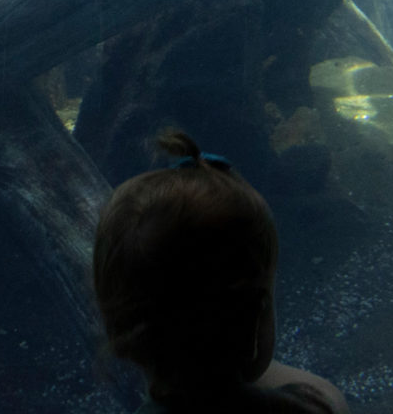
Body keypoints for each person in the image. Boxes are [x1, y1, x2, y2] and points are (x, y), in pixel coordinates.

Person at [91, 128, 350, 414]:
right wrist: (235, 352)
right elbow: (328, 396)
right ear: (256, 313)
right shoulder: (311, 408)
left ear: (115, 328)